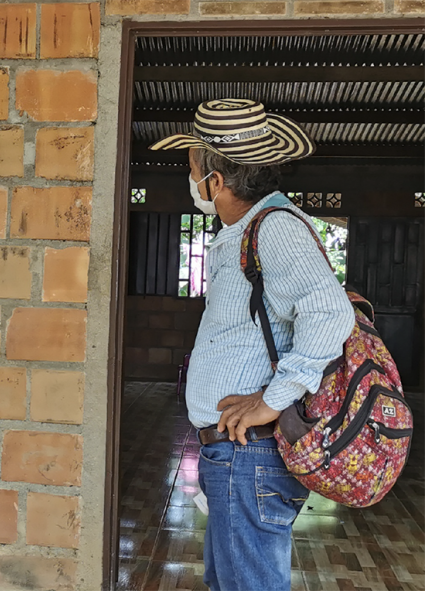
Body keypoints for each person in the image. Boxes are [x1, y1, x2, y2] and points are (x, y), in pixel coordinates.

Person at [151, 99, 354, 591]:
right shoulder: (247, 230)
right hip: (236, 455)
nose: (191, 179)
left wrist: (272, 399)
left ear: (215, 181)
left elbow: (331, 313)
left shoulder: (275, 228)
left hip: (250, 455)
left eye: (193, 168)